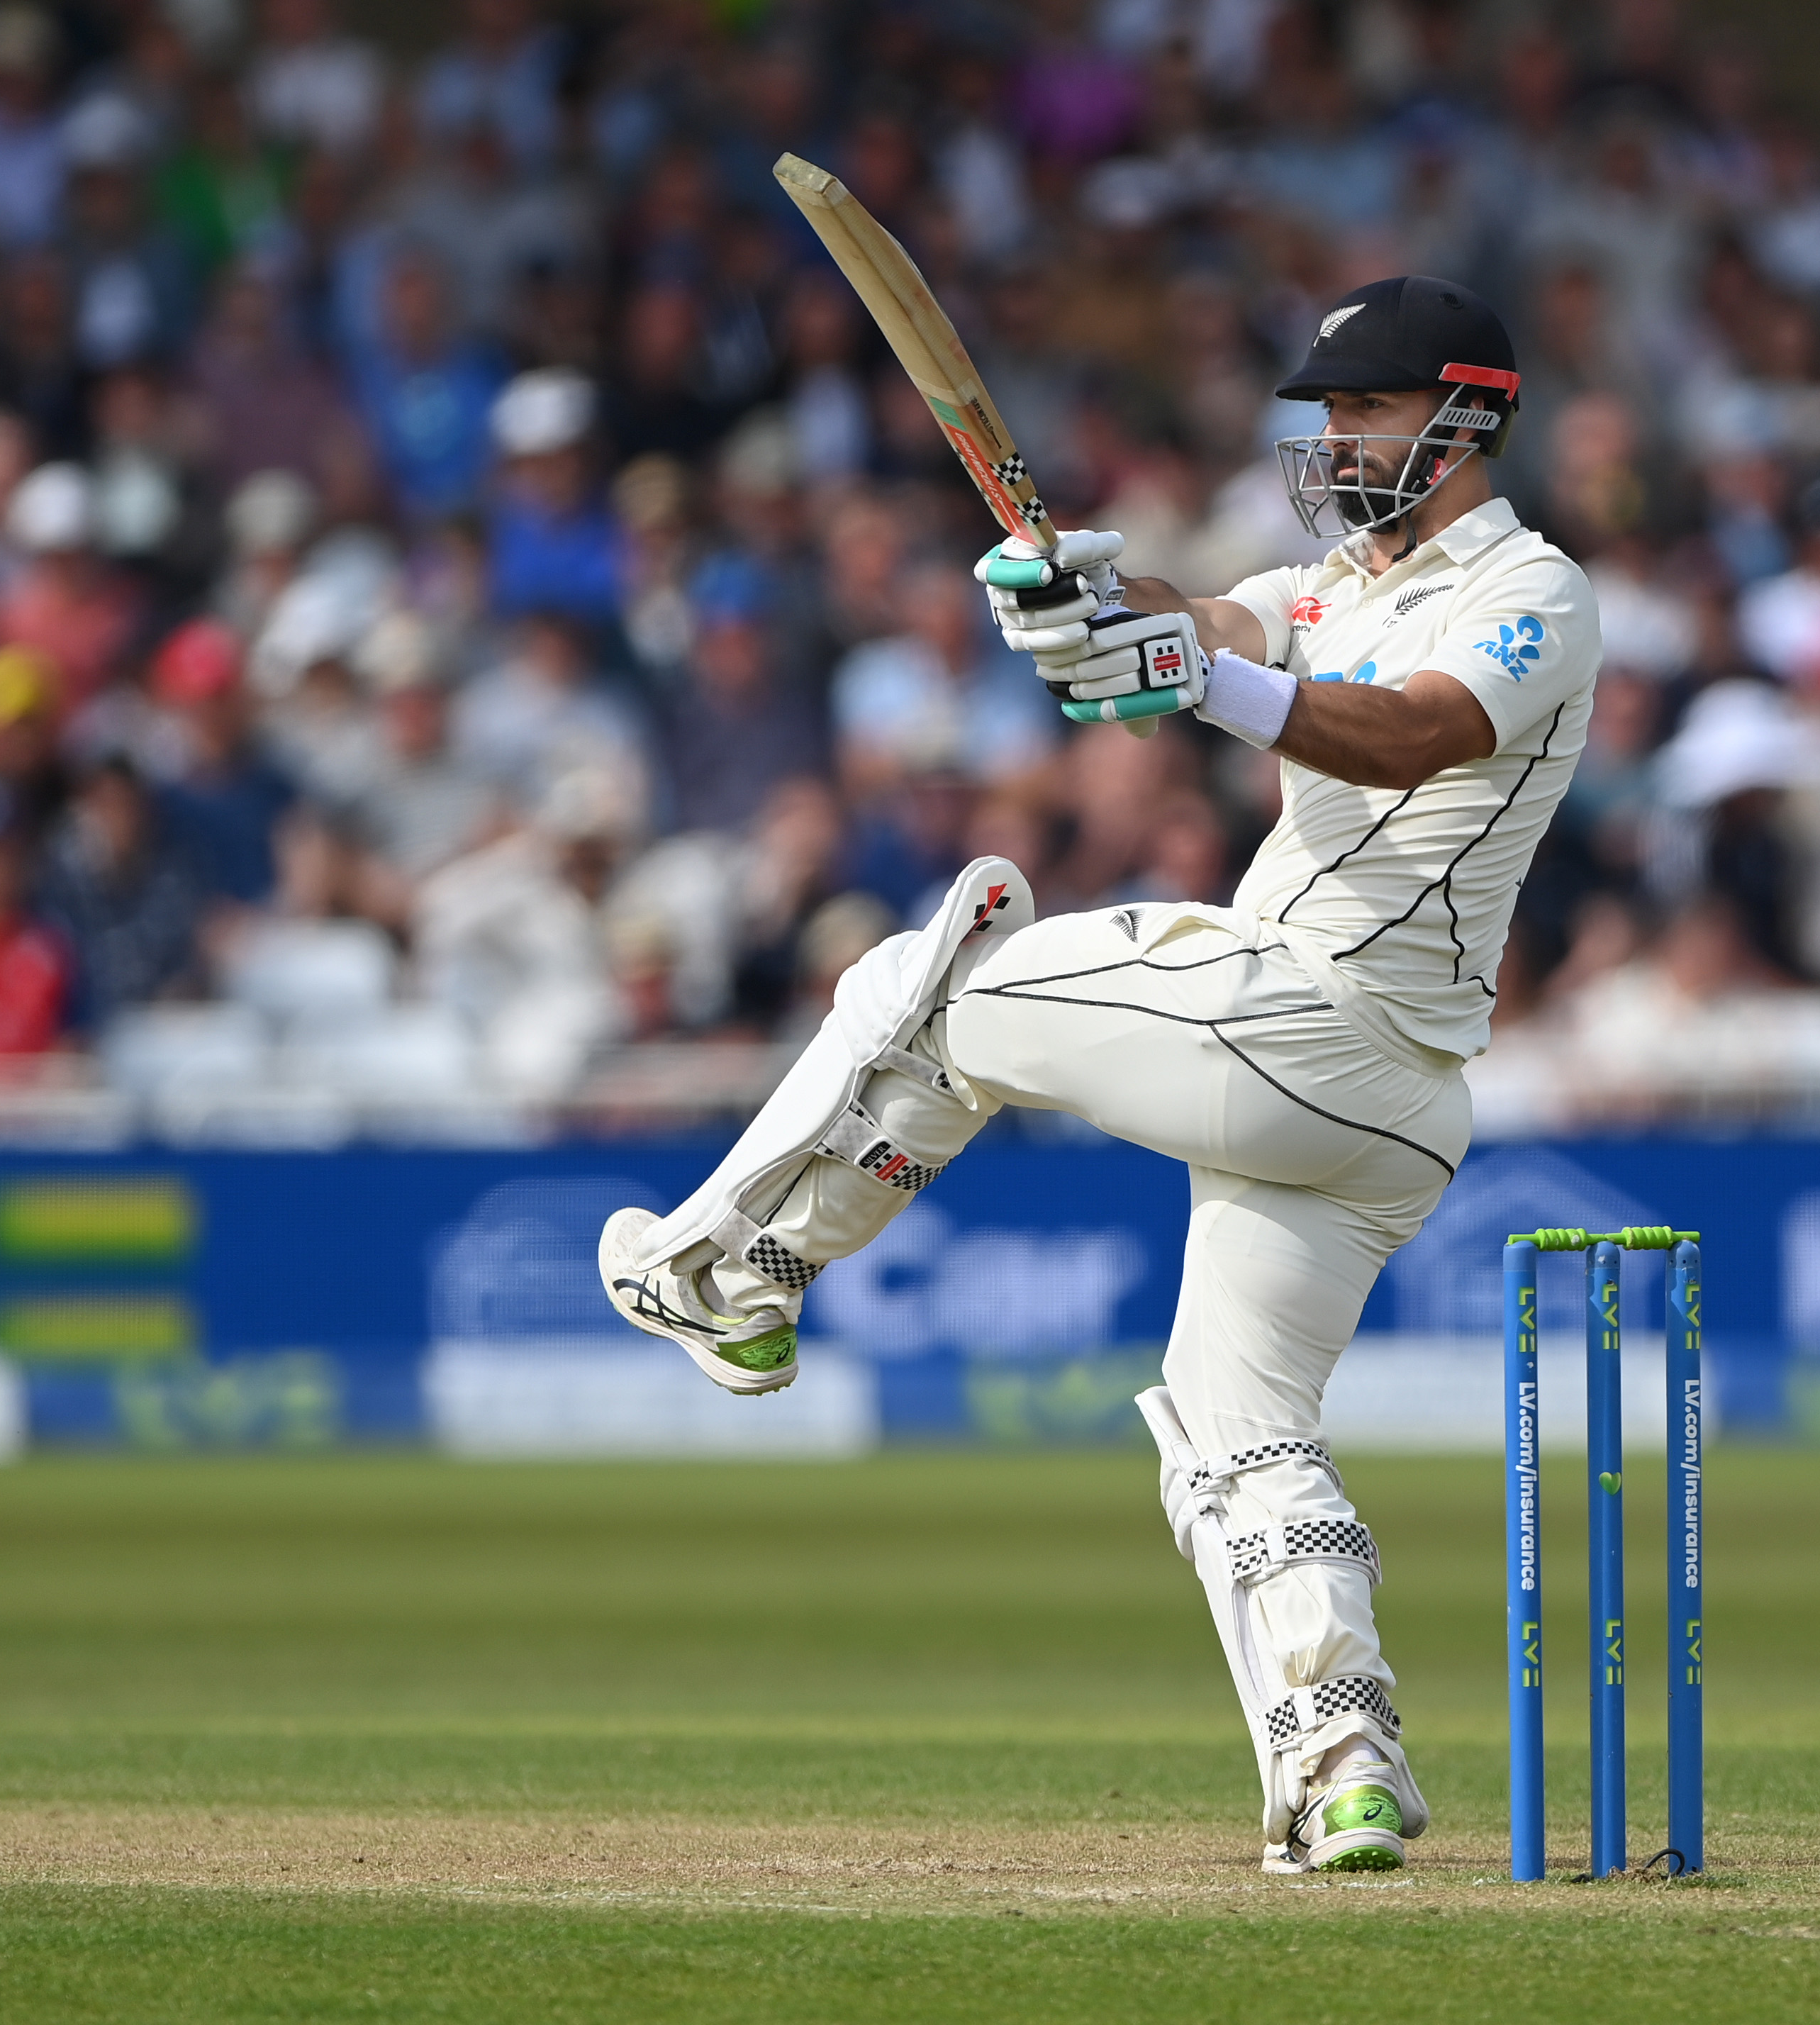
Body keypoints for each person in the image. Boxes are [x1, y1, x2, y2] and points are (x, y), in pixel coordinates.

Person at [595, 276, 1595, 1877]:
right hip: (1360, 1111)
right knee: (1233, 1431)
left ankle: (736, 1266)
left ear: (1467, 418)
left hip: (1321, 1029)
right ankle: (1345, 1770)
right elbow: (1217, 628)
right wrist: (1089, 611)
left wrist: (1188, 674)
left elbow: (1409, 733)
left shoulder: (1536, 592)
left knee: (950, 968)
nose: (1334, 441)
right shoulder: (1337, 579)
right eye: (1324, 412)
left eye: (1369, 411)